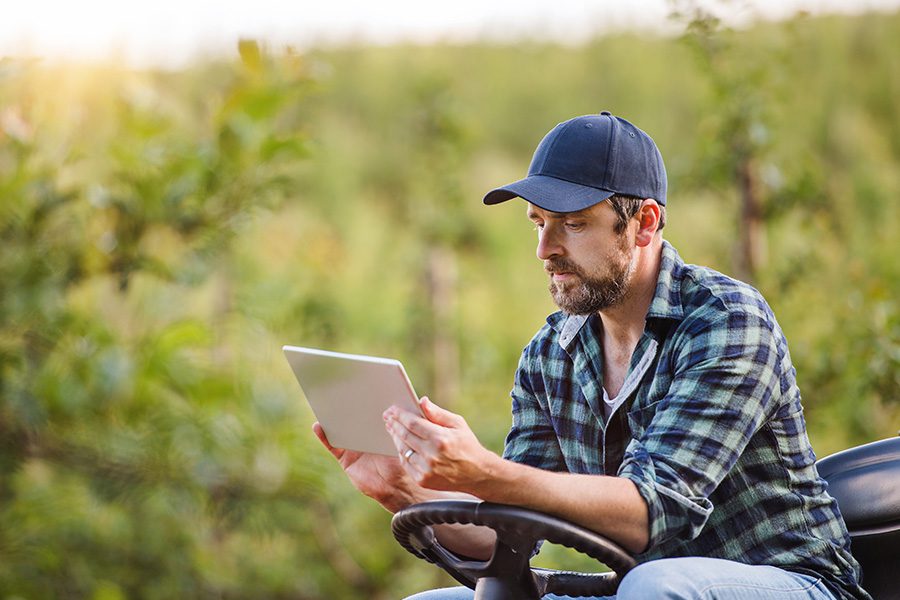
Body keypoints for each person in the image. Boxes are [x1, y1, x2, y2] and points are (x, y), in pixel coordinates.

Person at [313, 111, 870, 599]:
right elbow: (511, 533)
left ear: (645, 223)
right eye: (539, 223)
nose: (545, 250)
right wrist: (407, 490)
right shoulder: (549, 355)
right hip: (645, 588)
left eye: (573, 225)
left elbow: (653, 513)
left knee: (657, 585)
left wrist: (485, 472)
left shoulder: (727, 321)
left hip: (791, 584)